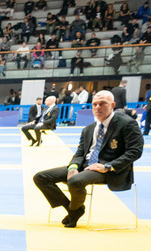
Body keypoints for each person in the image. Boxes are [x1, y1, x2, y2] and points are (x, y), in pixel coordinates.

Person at [33, 91, 144, 227]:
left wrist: (108, 166)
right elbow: (80, 153)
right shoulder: (89, 129)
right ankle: (73, 210)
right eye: (94, 104)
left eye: (102, 104)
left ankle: (73, 211)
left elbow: (135, 151)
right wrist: (73, 167)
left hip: (109, 169)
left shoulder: (127, 124)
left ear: (112, 105)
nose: (98, 107)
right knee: (41, 177)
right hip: (85, 165)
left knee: (75, 181)